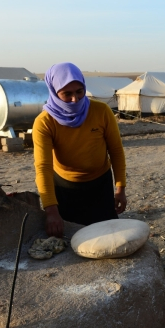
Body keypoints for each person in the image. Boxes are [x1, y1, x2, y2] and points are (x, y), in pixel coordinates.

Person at [33, 62, 126, 237]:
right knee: (73, 239)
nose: (75, 99)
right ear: (54, 91)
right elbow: (43, 167)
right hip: (65, 188)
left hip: (100, 184)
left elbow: (116, 150)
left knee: (106, 236)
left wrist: (120, 188)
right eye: (67, 94)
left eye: (79, 92)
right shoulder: (44, 122)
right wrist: (51, 209)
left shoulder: (101, 111)